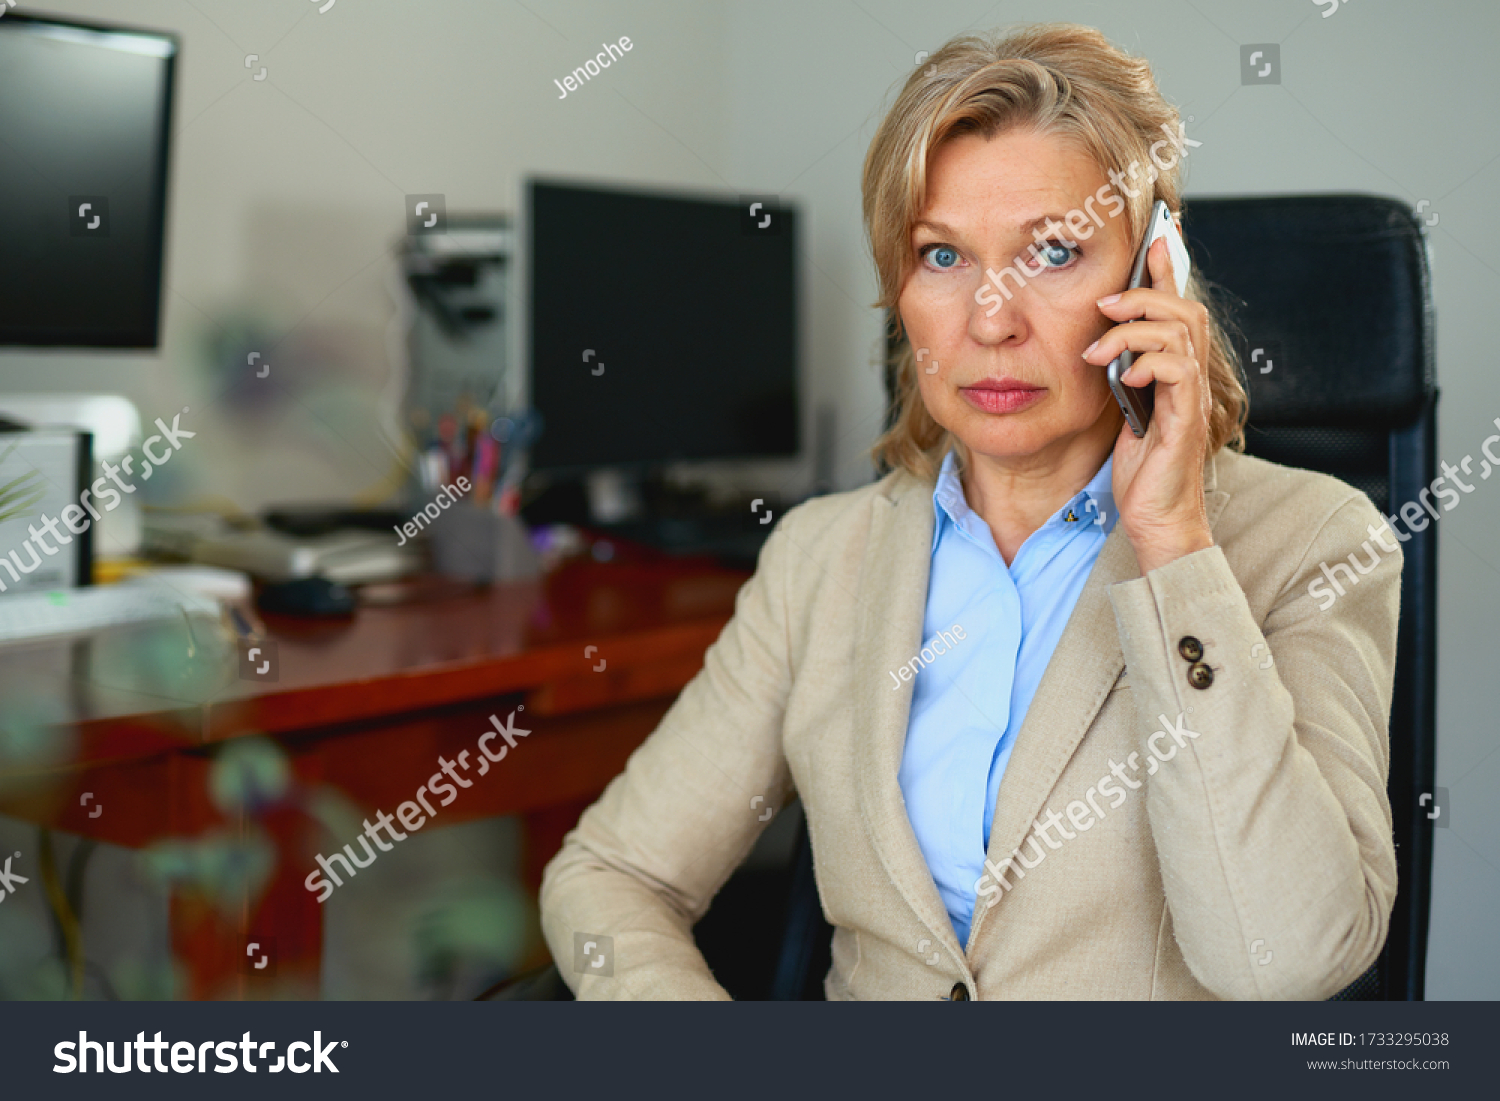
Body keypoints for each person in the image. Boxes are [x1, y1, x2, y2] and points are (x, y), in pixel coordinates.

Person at [540, 23, 1400, 1000]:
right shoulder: (823, 558)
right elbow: (611, 876)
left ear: (1153, 276)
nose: (991, 319)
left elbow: (1286, 962)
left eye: (1055, 251)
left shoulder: (1319, 542)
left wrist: (1172, 546)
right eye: (941, 257)